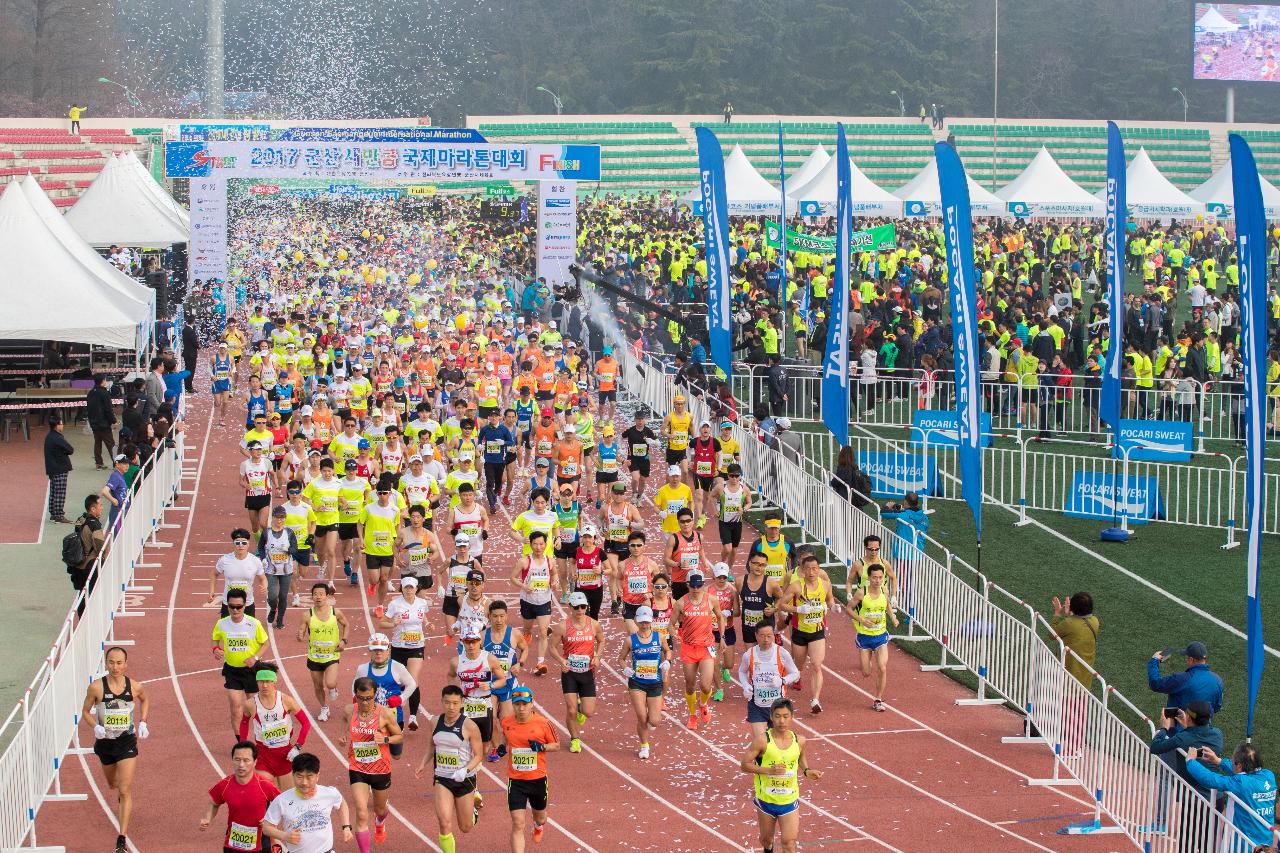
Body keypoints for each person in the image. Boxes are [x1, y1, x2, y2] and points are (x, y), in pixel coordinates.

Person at [80, 646, 149, 853]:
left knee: (125, 789)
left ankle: (121, 838)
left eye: (119, 663)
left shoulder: (134, 687)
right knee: (113, 784)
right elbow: (85, 711)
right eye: (111, 662)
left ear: (126, 664)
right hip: (105, 745)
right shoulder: (96, 688)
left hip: (127, 742)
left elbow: (145, 699)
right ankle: (121, 795)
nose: (115, 666)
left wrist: (143, 721)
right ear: (106, 663)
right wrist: (96, 726)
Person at [739, 698, 822, 853]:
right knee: (766, 839)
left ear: (792, 717)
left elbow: (800, 756)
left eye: (785, 716)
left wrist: (806, 770)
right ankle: (768, 849)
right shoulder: (762, 741)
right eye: (777, 716)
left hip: (789, 800)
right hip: (766, 801)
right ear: (771, 717)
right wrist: (769, 770)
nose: (781, 721)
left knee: (789, 843)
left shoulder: (800, 740)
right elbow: (744, 765)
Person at [415, 684, 486, 853]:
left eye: (455, 703)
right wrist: (422, 764)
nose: (451, 707)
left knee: (465, 827)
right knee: (444, 822)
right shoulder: (435, 721)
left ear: (462, 703)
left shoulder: (470, 726)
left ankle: (473, 812)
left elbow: (478, 755)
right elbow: (432, 747)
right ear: (442, 702)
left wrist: (465, 770)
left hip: (464, 779)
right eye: (447, 702)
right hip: (442, 778)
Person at [339, 675, 404, 850]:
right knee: (361, 812)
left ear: (374, 695)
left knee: (380, 810)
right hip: (357, 767)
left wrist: (384, 739)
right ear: (356, 696)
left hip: (380, 769)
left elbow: (399, 736)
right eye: (361, 698)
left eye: (368, 698)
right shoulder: (348, 710)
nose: (365, 702)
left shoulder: (385, 714)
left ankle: (380, 823)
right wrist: (343, 734)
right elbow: (344, 722)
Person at [500, 685, 560, 851]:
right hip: (516, 781)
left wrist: (542, 747)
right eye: (517, 704)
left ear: (531, 703)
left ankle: (538, 825)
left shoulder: (543, 723)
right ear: (513, 705)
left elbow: (556, 745)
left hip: (537, 780)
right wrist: (501, 747)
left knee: (540, 818)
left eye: (524, 704)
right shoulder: (506, 722)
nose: (521, 708)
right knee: (518, 824)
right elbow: (505, 739)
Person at [1186, 742, 1277, 851]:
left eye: (1233, 760)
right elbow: (1245, 773)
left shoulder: (1240, 783)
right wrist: (1219, 761)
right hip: (1265, 843)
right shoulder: (1269, 775)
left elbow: (1210, 779)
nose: (1231, 761)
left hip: (1241, 844)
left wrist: (1190, 761)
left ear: (1239, 765)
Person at [261, 752, 354, 853]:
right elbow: (266, 827)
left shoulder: (328, 793)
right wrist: (285, 836)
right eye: (299, 777)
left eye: (309, 777)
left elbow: (341, 803)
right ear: (293, 775)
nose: (304, 782)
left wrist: (346, 827)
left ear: (317, 776)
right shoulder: (282, 800)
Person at [548, 590, 605, 753]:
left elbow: (601, 641)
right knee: (570, 709)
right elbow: (552, 647)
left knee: (588, 712)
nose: (580, 610)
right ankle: (574, 739)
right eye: (576, 607)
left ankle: (581, 709)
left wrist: (598, 656)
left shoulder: (594, 624)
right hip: (570, 673)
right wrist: (561, 661)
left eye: (583, 607)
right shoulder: (562, 627)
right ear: (570, 608)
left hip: (587, 672)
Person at [201, 741, 282, 853]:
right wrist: (207, 818)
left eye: (246, 760)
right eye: (237, 760)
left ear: (255, 762)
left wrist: (270, 820)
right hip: (233, 844)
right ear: (232, 760)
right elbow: (214, 803)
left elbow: (282, 804)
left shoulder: (264, 785)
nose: (241, 765)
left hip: (261, 844)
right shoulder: (225, 785)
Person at [238, 668, 312, 789]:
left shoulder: (286, 700)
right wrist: (242, 744)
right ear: (257, 682)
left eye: (268, 681)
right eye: (261, 682)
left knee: (287, 797)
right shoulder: (250, 704)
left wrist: (297, 746)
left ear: (274, 682)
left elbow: (306, 723)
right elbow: (244, 723)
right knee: (263, 792)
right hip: (263, 754)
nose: (264, 685)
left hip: (285, 754)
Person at [779, 553, 833, 714]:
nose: (811, 572)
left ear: (819, 570)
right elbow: (782, 604)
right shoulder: (796, 586)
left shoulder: (825, 584)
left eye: (814, 569)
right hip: (800, 632)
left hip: (817, 631)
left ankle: (815, 699)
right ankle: (786, 680)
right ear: (802, 569)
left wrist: (830, 606)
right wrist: (798, 609)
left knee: (817, 664)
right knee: (799, 666)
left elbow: (830, 600)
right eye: (808, 569)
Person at [672, 569, 725, 730]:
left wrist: (721, 637)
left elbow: (720, 617)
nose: (696, 589)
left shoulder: (711, 600)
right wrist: (674, 634)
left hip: (706, 647)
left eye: (699, 585)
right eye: (693, 585)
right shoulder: (681, 603)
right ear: (688, 585)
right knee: (690, 685)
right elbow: (671, 624)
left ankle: (703, 704)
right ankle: (692, 715)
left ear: (703, 584)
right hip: (688, 647)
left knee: (705, 686)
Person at [212, 588, 269, 735]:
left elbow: (266, 643)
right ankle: (241, 741)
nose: (235, 610)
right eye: (232, 606)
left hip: (251, 670)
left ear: (245, 606)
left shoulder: (254, 624)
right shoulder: (222, 623)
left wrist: (255, 658)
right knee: (235, 706)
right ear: (227, 606)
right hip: (232, 670)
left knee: (255, 707)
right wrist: (215, 649)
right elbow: (215, 639)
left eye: (239, 607)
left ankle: (260, 738)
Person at [617, 605, 670, 759]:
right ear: (636, 621)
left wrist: (668, 661)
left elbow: (667, 650)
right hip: (637, 683)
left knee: (654, 721)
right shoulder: (630, 640)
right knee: (641, 717)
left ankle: (647, 726)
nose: (644, 625)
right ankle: (644, 745)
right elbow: (621, 658)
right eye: (641, 622)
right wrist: (625, 669)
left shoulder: (659, 637)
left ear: (651, 621)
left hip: (655, 682)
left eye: (647, 622)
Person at [846, 563, 899, 712]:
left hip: (881, 636)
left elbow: (887, 605)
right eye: (874, 577)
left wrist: (893, 618)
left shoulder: (885, 591)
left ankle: (878, 699)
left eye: (880, 577)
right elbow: (848, 609)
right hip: (864, 637)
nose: (877, 580)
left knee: (882, 668)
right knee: (866, 672)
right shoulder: (861, 593)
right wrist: (861, 620)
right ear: (868, 578)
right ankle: (866, 658)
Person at [1149, 699, 1223, 800]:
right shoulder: (1218, 734)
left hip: (1193, 799)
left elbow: (1155, 747)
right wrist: (1187, 726)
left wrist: (1164, 728)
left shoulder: (1182, 738)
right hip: (1216, 797)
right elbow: (1198, 747)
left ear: (1188, 717)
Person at [296, 582, 348, 721]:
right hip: (314, 657)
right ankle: (324, 707)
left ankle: (333, 688)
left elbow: (346, 624)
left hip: (332, 654)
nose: (318, 597)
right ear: (312, 597)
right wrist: (300, 635)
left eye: (321, 594)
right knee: (318, 685)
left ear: (327, 596)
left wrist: (344, 640)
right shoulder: (307, 615)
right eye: (315, 594)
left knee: (330, 683)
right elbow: (301, 630)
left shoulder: (335, 612)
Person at [738, 623, 800, 737]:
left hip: (778, 706)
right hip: (757, 705)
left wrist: (782, 681)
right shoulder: (749, 654)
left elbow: (796, 673)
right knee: (761, 741)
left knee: (777, 741)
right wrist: (745, 685)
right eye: (762, 636)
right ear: (756, 636)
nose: (766, 639)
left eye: (769, 636)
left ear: (773, 635)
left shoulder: (782, 653)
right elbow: (742, 671)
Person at [1148, 641, 1224, 717]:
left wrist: (1154, 660)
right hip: (1204, 726)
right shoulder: (1217, 680)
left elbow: (1155, 684)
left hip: (1180, 726)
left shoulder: (1183, 679)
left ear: (1191, 659)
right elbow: (1216, 707)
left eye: (1187, 658)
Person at [210, 528, 268, 619]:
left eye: (244, 543)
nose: (241, 546)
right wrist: (211, 591)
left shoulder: (255, 561)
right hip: (228, 604)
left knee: (249, 632)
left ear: (248, 543)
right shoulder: (225, 560)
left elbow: (263, 578)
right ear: (233, 543)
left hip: (247, 603)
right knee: (226, 632)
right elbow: (214, 574)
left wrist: (265, 587)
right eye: (237, 543)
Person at [257, 507, 301, 629]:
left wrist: (287, 549)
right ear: (273, 518)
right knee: (272, 596)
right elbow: (260, 547)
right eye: (277, 517)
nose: (280, 520)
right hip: (271, 569)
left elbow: (295, 550)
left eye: (282, 517)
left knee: (283, 596)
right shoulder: (266, 532)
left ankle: (280, 619)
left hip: (286, 570)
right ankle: (273, 608)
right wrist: (263, 558)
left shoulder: (289, 532)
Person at [45, 415, 75, 524]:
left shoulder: (49, 437)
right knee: (60, 492)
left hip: (53, 468)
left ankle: (53, 513)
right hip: (59, 467)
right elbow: (70, 449)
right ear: (57, 425)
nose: (62, 425)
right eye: (61, 423)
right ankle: (59, 515)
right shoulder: (57, 438)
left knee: (54, 491)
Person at [86, 374, 117, 469]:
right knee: (111, 444)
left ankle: (98, 463)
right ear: (103, 381)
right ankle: (117, 462)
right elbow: (108, 409)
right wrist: (113, 420)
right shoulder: (104, 393)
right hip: (103, 423)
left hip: (94, 422)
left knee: (97, 442)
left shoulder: (91, 392)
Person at [101, 452, 130, 529]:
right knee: (117, 536)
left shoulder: (119, 475)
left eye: (127, 463)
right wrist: (113, 500)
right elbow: (104, 491)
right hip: (118, 511)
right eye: (124, 463)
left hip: (121, 511)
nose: (127, 465)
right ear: (117, 464)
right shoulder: (115, 476)